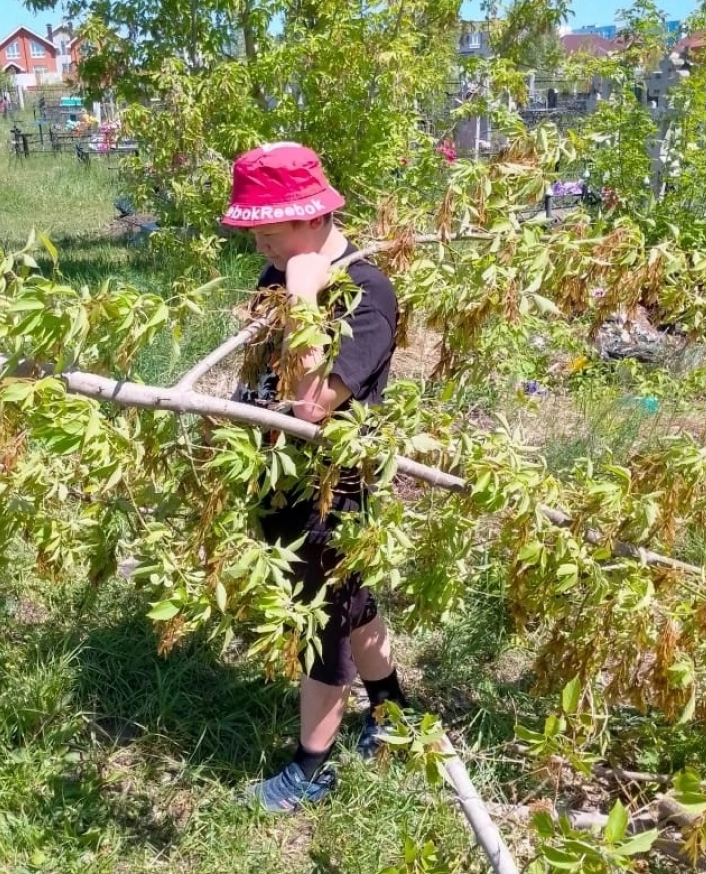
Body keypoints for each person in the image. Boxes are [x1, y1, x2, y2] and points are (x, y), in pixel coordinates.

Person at [222, 142, 409, 814]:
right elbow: (262, 372)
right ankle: (392, 713)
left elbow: (310, 405)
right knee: (352, 601)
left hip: (334, 482)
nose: (263, 246)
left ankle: (312, 767)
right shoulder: (282, 274)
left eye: (272, 231)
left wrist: (303, 299)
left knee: (322, 620)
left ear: (313, 218)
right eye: (256, 234)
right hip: (280, 475)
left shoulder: (365, 294)